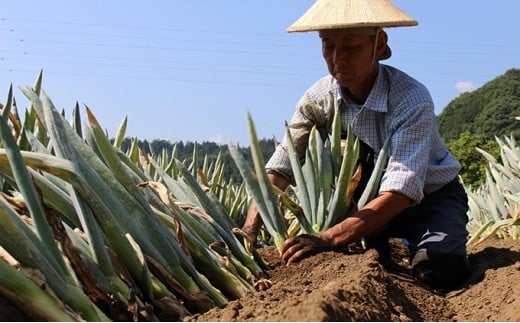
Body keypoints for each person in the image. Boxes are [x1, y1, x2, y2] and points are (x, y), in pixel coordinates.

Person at [241, 0, 470, 291]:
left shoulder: (410, 99)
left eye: (350, 47)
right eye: (328, 46)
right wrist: (250, 226)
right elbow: (282, 164)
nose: (337, 58)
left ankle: (433, 251)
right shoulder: (319, 97)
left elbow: (401, 191)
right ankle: (380, 245)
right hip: (365, 203)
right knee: (361, 262)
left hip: (430, 198)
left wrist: (328, 238)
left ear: (379, 44)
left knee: (437, 267)